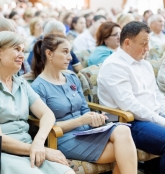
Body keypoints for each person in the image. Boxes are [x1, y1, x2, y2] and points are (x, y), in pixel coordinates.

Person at [0, 31, 74, 174]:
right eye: (16, 49)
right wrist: (40, 150)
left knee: (68, 172)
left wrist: (39, 142)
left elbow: (48, 114)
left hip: (30, 148)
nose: (22, 55)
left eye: (23, 50)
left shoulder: (21, 84)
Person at [30, 34, 137, 174]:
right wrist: (81, 120)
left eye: (70, 51)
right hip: (62, 138)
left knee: (123, 130)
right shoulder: (38, 87)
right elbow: (46, 126)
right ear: (49, 54)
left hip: (87, 131)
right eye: (65, 52)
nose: (70, 57)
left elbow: (84, 109)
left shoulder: (72, 77)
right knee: (125, 151)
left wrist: (94, 119)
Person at [97, 21, 165, 174]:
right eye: (144, 43)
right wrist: (161, 120)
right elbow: (130, 106)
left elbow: (156, 95)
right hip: (125, 122)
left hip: (150, 116)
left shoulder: (145, 64)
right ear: (127, 43)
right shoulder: (114, 66)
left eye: (148, 43)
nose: (148, 48)